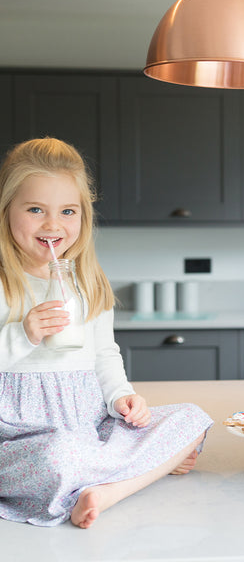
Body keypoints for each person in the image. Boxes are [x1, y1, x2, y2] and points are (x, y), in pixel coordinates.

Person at [0, 137, 214, 528]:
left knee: (191, 418)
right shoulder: (4, 283)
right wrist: (22, 334)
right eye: (35, 210)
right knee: (56, 455)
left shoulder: (87, 281)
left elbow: (104, 355)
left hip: (88, 424)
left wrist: (122, 397)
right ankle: (145, 467)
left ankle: (103, 491)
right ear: (6, 211)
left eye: (68, 211)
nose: (53, 225)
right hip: (20, 436)